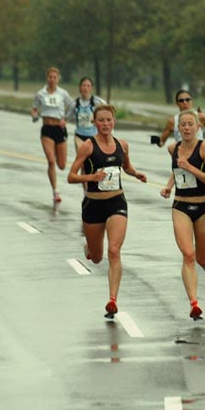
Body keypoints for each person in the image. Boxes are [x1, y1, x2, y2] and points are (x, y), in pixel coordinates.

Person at [68, 104, 147, 319]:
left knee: (114, 250)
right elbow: (71, 176)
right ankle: (90, 247)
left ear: (114, 121)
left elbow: (126, 167)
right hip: (92, 206)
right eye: (101, 120)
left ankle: (113, 299)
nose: (105, 124)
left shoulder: (123, 145)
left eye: (108, 120)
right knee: (96, 257)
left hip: (116, 203)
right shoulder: (87, 146)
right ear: (94, 122)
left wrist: (136, 173)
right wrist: (90, 178)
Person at [160, 110, 205, 320]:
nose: (186, 128)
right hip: (181, 206)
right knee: (188, 254)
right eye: (182, 124)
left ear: (197, 128)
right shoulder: (173, 148)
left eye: (189, 124)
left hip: (203, 206)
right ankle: (194, 302)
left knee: (201, 258)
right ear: (178, 128)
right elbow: (177, 171)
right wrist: (168, 186)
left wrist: (192, 168)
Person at [31, 67, 74, 205]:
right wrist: (35, 115)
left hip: (60, 129)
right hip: (47, 129)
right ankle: (55, 192)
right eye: (50, 77)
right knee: (51, 161)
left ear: (58, 79)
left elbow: (72, 106)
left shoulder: (63, 94)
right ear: (47, 78)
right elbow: (34, 107)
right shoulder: (40, 94)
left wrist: (65, 119)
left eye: (55, 77)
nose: (52, 80)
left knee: (61, 165)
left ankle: (56, 151)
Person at [66, 77, 106, 155]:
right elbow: (66, 118)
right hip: (79, 136)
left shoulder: (97, 102)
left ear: (91, 88)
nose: (85, 88)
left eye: (88, 86)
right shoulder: (74, 104)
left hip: (94, 136)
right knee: (82, 161)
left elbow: (108, 112)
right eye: (83, 85)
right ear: (80, 88)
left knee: (93, 162)